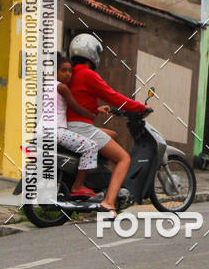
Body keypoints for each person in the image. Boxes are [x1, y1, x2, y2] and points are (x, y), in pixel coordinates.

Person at [67, 34, 148, 215]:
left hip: (71, 125)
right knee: (123, 158)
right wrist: (140, 107)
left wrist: (96, 109)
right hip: (82, 128)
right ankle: (109, 202)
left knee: (112, 135)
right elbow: (114, 96)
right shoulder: (89, 75)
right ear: (92, 53)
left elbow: (77, 102)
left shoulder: (71, 73)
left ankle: (101, 180)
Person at [55, 54, 101, 197]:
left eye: (70, 71)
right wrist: (92, 114)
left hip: (41, 131)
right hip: (56, 132)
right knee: (91, 146)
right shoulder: (62, 87)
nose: (68, 74)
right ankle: (78, 185)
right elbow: (76, 107)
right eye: (64, 70)